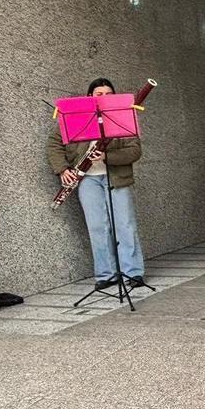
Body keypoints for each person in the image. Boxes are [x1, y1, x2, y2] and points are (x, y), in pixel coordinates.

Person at [47, 78, 146, 290]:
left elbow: (134, 151)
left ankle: (133, 272)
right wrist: (63, 169)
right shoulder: (76, 116)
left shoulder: (122, 117)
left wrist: (106, 155)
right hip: (87, 180)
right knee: (97, 227)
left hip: (117, 178)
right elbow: (54, 143)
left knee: (125, 225)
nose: (103, 98)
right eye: (98, 94)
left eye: (108, 94)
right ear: (90, 96)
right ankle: (106, 274)